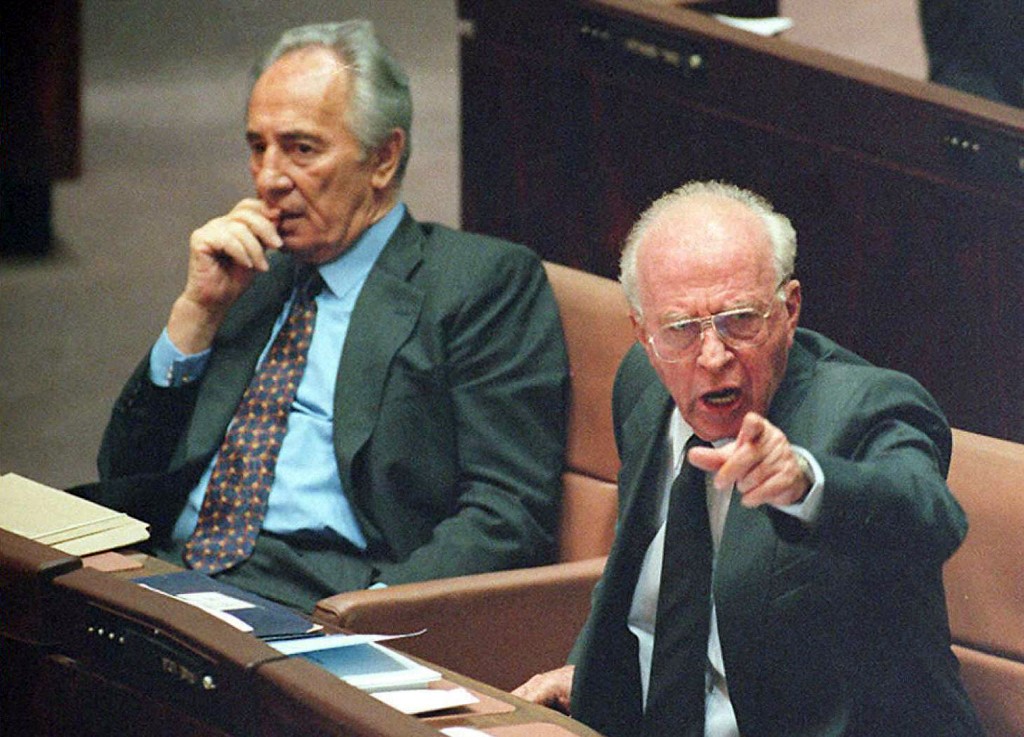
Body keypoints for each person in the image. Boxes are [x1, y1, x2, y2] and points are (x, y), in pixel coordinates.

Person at [72, 21, 569, 613]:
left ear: (383, 158)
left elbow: (507, 511)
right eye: (258, 147)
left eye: (302, 149)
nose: (269, 178)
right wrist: (196, 315)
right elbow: (125, 476)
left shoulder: (478, 282)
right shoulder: (250, 272)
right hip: (166, 569)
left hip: (315, 599)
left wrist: (373, 613)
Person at [513, 181, 983, 736]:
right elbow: (641, 573)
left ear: (789, 309)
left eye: (739, 319)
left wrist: (808, 483)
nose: (712, 357)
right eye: (680, 329)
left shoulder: (867, 407)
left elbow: (929, 515)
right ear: (643, 333)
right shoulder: (643, 388)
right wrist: (589, 673)